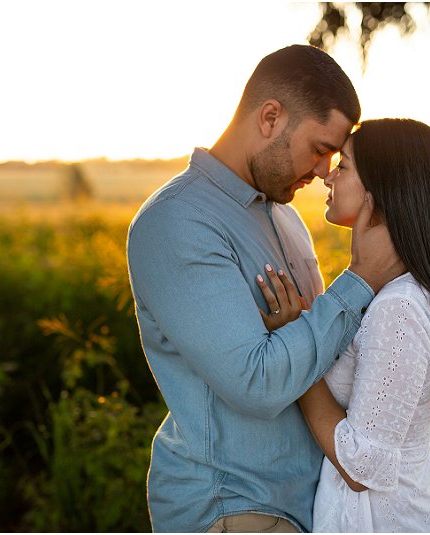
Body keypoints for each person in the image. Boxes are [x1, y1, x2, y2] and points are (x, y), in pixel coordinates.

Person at [126, 45, 405, 532]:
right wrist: (359, 282)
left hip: (306, 504)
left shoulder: (287, 219)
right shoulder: (178, 223)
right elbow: (255, 384)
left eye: (334, 157)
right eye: (320, 150)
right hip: (235, 507)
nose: (323, 171)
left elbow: (316, 354)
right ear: (271, 117)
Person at [255, 118, 430, 532]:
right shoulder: (396, 293)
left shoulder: (400, 307)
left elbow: (362, 466)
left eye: (344, 166)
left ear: (383, 190)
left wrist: (295, 350)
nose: (327, 177)